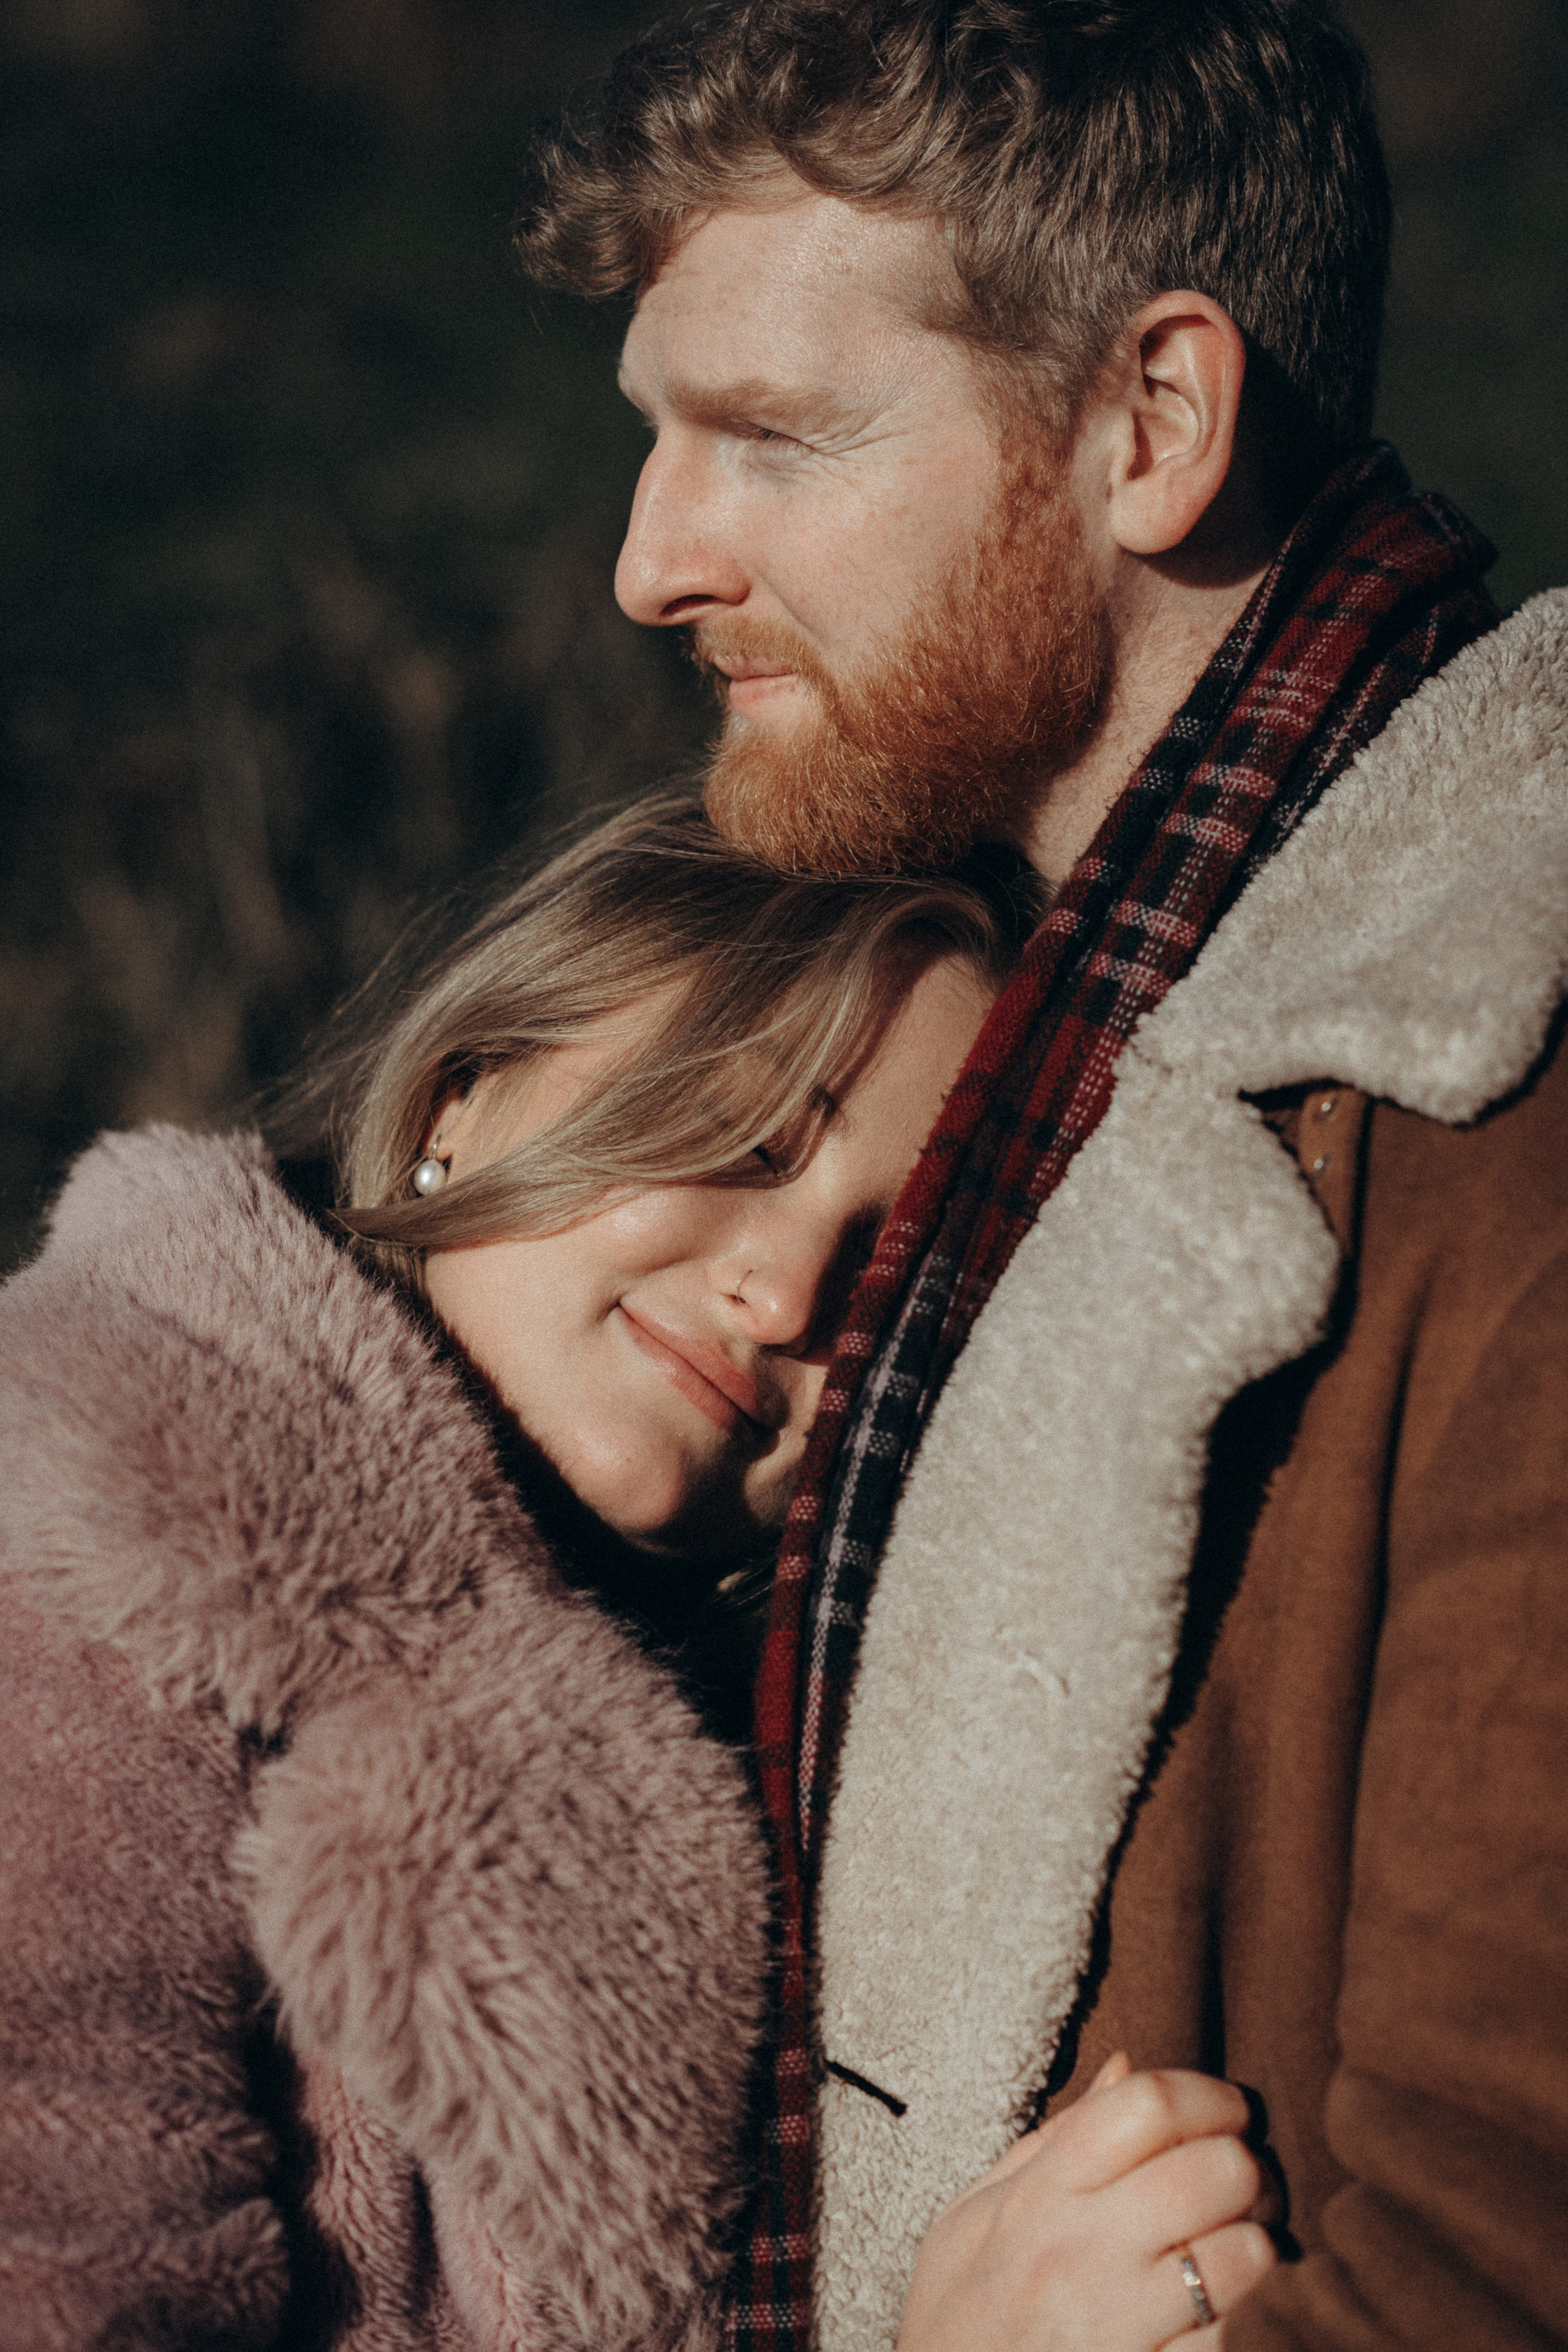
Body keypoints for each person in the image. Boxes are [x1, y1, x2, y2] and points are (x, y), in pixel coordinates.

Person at [512, 3, 1568, 2347]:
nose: (650, 563)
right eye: (657, 438)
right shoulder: (1019, 1066)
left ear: (1153, 422)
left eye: (772, 438)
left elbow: (1497, 2260)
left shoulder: (1501, 1114)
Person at [0, 799, 1276, 2352]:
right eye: (747, 1134)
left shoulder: (774, 1757)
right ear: (464, 1088)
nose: (786, 1293)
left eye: (889, 1277)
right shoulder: (91, 1514)